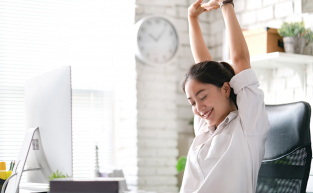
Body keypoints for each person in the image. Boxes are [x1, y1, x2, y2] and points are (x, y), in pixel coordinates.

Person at [180, 0, 270, 192]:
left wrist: (225, 4)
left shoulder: (248, 126)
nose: (199, 108)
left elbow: (240, 58)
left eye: (203, 97)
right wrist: (192, 17)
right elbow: (203, 68)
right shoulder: (205, 128)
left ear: (226, 89)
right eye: (192, 103)